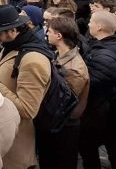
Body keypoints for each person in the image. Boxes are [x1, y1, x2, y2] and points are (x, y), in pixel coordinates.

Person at [0, 4, 51, 169]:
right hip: (4, 133)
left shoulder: (33, 60)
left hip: (16, 142)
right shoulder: (12, 46)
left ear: (13, 31)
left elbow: (28, 109)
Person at [79, 10, 116, 169]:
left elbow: (95, 84)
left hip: (102, 113)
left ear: (99, 28)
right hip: (112, 111)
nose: (88, 24)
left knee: (92, 150)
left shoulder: (104, 55)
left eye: (91, 21)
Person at [42, 15, 90, 169]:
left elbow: (62, 101)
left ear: (59, 36)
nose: (46, 34)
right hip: (54, 122)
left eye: (49, 31)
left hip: (64, 125)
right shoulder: (59, 55)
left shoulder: (75, 68)